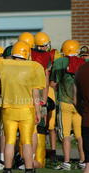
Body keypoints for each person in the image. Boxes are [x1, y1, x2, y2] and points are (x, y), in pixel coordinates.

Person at [0, 41, 46, 173]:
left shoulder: (2, 65)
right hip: (26, 110)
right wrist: (38, 111)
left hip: (8, 109)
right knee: (27, 142)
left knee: (10, 141)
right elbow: (36, 94)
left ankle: (7, 172)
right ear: (26, 53)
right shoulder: (34, 67)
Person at [50, 40, 85, 170]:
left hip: (65, 102)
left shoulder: (59, 63)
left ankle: (66, 162)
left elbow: (53, 83)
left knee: (65, 134)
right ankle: (83, 161)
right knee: (80, 135)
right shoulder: (84, 63)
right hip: (80, 104)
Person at [32, 32, 61, 161]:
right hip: (45, 89)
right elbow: (48, 76)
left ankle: (48, 151)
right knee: (47, 124)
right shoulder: (50, 55)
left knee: (44, 123)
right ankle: (44, 152)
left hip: (35, 90)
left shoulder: (31, 54)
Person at [74, 61, 89, 173]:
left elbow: (75, 99)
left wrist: (83, 113)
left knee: (88, 164)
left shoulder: (81, 70)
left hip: (86, 121)